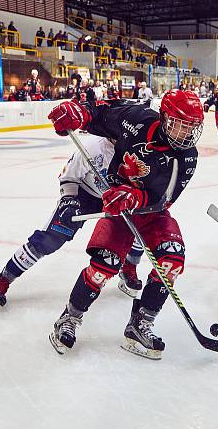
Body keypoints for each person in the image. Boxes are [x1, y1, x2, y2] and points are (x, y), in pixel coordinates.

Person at [45, 89, 204, 359]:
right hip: (117, 209)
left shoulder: (187, 156)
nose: (185, 134)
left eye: (191, 127)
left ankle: (140, 324)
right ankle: (69, 318)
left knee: (172, 260)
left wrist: (136, 196)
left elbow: (164, 200)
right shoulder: (136, 119)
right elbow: (101, 114)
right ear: (165, 118)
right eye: (179, 124)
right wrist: (79, 114)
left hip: (151, 213)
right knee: (102, 266)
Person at [0, 133, 145, 311]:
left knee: (137, 231)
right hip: (84, 195)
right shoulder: (93, 148)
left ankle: (128, 268)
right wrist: (69, 200)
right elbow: (68, 177)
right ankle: (2, 279)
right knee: (50, 239)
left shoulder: (138, 152)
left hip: (120, 199)